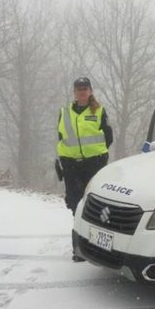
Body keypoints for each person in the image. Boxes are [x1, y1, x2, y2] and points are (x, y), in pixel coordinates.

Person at [56, 77, 113, 217]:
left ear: (90, 91)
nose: (82, 92)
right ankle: (79, 230)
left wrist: (96, 154)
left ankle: (93, 229)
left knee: (94, 199)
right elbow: (61, 136)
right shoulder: (64, 112)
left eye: (85, 89)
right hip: (70, 164)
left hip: (94, 163)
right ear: (74, 92)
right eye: (79, 89)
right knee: (74, 201)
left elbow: (108, 137)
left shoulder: (99, 111)